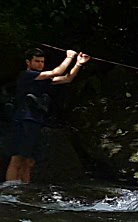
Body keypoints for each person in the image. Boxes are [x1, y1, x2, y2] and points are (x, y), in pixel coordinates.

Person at [6, 48, 90, 184]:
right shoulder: (26, 75)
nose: (40, 64)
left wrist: (79, 63)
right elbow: (56, 72)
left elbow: (67, 78)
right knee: (17, 157)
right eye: (37, 61)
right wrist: (69, 57)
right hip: (23, 120)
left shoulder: (42, 79)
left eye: (42, 62)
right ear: (28, 62)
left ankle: (23, 187)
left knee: (28, 160)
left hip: (35, 121)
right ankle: (10, 188)